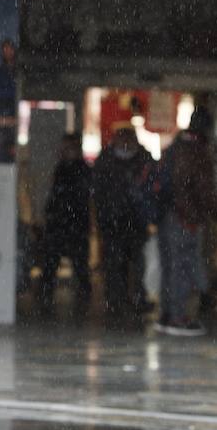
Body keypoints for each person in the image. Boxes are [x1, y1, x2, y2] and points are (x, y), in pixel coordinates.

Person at [155, 121, 217, 336]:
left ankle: (167, 315)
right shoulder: (195, 153)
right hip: (183, 218)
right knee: (182, 267)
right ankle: (178, 317)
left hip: (166, 215)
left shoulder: (173, 149)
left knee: (170, 267)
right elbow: (201, 189)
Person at [92, 126, 151, 326]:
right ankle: (117, 299)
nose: (125, 144)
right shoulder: (107, 161)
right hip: (114, 221)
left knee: (135, 262)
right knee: (115, 263)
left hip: (134, 221)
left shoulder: (142, 159)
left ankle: (133, 297)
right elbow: (98, 192)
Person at [37, 133, 93, 315]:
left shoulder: (78, 170)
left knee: (76, 264)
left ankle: (79, 300)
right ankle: (47, 297)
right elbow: (57, 195)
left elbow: (73, 196)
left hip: (72, 223)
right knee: (54, 262)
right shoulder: (63, 168)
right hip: (63, 223)